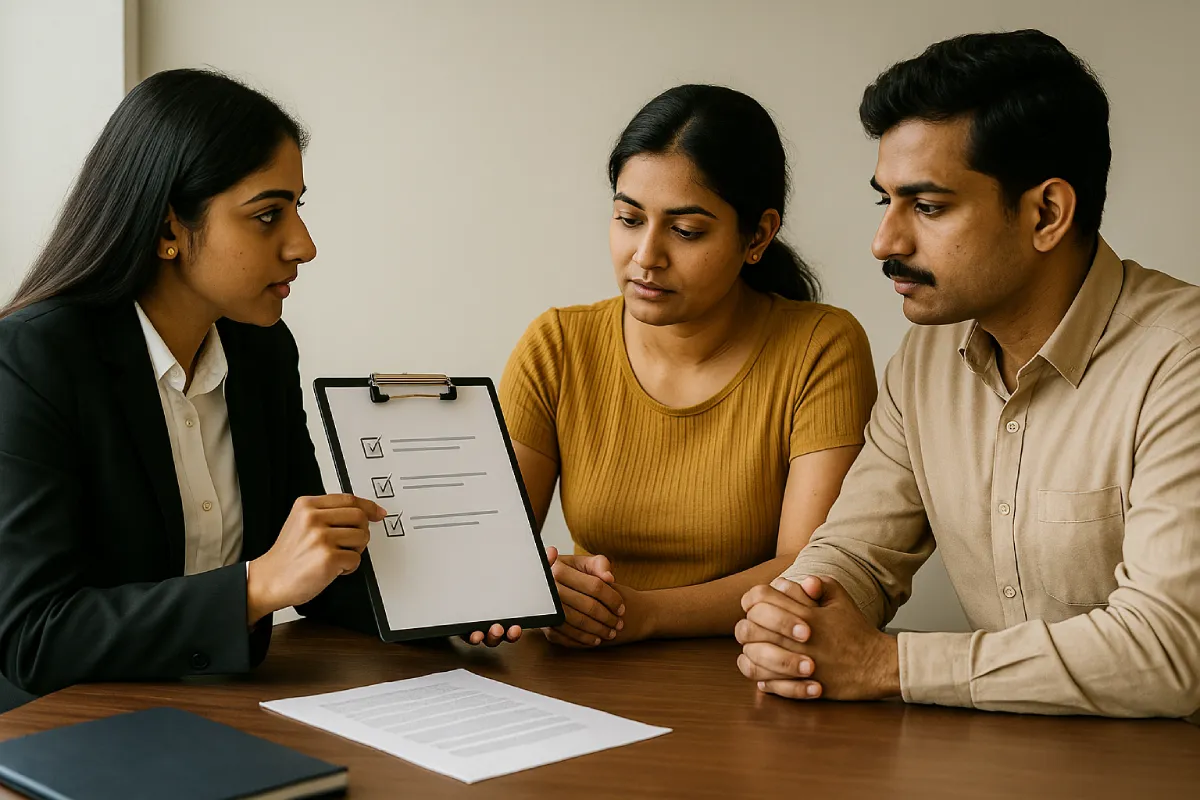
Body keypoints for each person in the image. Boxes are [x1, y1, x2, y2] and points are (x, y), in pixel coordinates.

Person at [736, 30, 1200, 721]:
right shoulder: (926, 359)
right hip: (1002, 762)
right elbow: (857, 553)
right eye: (883, 202)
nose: (885, 243)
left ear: (1046, 213)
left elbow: (1168, 652)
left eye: (926, 207)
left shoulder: (1182, 362)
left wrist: (884, 664)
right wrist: (792, 620)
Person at [0, 69, 391, 701]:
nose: (304, 246)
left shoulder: (261, 350)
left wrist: (482, 591)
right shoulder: (31, 360)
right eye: (267, 215)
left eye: (298, 208)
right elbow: (33, 637)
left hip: (229, 712)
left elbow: (309, 569)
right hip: (68, 735)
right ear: (166, 231)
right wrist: (255, 587)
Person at [481, 85, 877, 649]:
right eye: (628, 218)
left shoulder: (820, 346)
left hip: (754, 671)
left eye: (686, 231)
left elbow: (807, 568)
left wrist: (641, 614)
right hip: (584, 671)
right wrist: (554, 589)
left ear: (758, 236)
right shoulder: (558, 344)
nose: (646, 255)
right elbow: (491, 548)